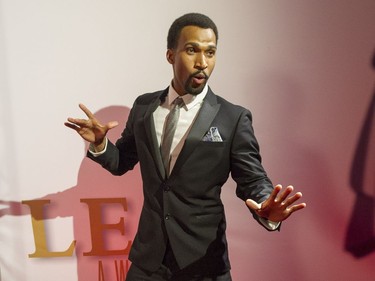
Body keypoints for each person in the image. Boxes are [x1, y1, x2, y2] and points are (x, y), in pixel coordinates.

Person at [65, 13, 306, 281]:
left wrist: (265, 206)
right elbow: (122, 161)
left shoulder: (233, 118)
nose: (203, 63)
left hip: (203, 265)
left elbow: (253, 179)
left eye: (211, 52)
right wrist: (100, 144)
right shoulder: (145, 108)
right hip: (148, 262)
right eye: (192, 50)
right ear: (171, 55)